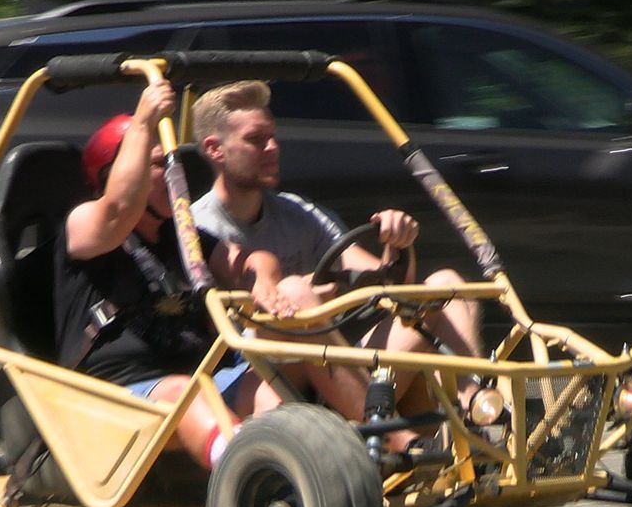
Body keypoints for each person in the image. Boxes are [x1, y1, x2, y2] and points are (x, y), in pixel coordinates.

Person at [55, 80, 333, 469]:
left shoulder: (184, 237)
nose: (175, 177)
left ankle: (318, 462)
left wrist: (265, 281)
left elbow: (250, 259)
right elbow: (118, 209)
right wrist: (143, 123)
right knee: (182, 392)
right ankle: (249, 469)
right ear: (111, 174)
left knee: (287, 364)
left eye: (176, 165)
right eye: (159, 165)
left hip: (205, 378)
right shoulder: (86, 226)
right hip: (118, 398)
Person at [188, 80, 481, 414]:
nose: (272, 147)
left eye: (273, 136)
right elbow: (219, 337)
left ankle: (482, 411)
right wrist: (314, 295)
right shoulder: (197, 232)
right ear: (215, 150)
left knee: (447, 286)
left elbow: (387, 289)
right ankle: (384, 436)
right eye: (256, 140)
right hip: (260, 381)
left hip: (335, 368)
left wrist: (397, 245)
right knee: (296, 292)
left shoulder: (297, 213)